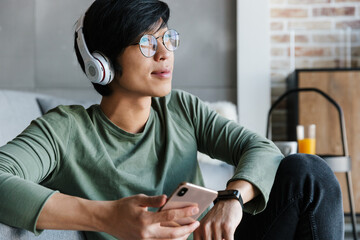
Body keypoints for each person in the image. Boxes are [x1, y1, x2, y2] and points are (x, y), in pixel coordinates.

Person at [0, 0, 344, 239]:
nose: (165, 53)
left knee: (308, 173)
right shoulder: (65, 129)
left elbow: (260, 147)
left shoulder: (180, 108)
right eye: (147, 43)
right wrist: (108, 217)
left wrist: (232, 198)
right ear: (101, 63)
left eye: (168, 38)